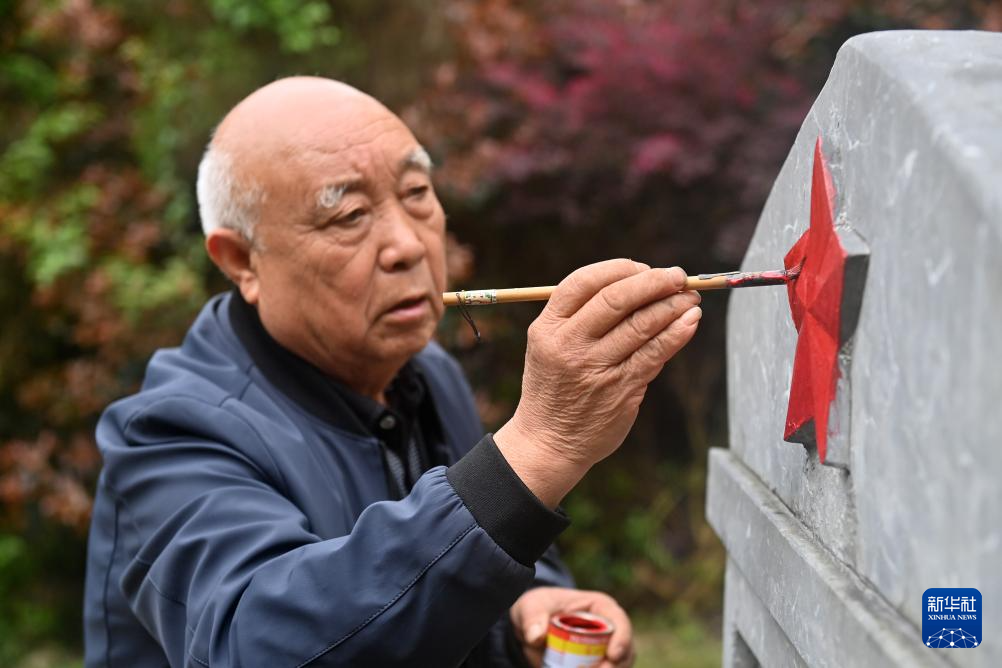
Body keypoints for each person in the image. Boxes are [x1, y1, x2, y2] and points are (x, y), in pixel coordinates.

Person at [83, 77, 703, 667]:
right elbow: (259, 649)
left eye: (416, 194)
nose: (408, 245)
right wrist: (539, 447)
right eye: (349, 215)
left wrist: (525, 616)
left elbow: (434, 594)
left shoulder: (427, 374)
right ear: (243, 259)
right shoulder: (169, 433)